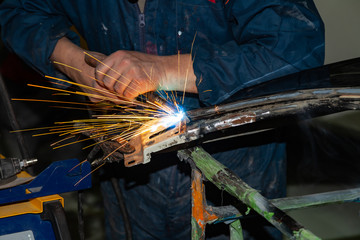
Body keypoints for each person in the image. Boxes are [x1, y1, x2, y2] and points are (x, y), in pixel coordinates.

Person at [0, 0, 324, 239]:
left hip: (234, 163)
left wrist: (166, 70)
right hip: (129, 176)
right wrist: (74, 64)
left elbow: (297, 46)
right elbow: (17, 11)